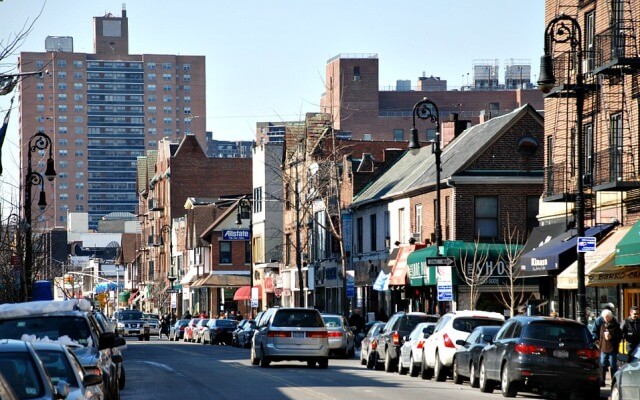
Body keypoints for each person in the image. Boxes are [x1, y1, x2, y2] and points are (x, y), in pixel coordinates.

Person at [595, 308, 622, 387]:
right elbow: (601, 336)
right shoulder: (602, 324)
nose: (606, 319)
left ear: (610, 317)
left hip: (612, 348)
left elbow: (619, 336)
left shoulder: (615, 324)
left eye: (607, 317)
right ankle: (602, 381)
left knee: (613, 365)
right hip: (603, 348)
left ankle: (614, 382)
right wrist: (599, 346)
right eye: (604, 317)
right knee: (603, 364)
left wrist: (611, 336)